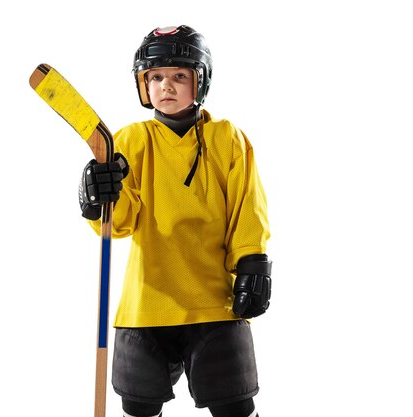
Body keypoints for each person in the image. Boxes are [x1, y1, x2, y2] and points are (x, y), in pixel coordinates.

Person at [78, 25, 272, 417]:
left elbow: (247, 206)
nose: (166, 85)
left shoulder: (227, 138)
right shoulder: (129, 141)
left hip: (214, 303)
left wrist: (253, 263)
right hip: (146, 304)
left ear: (200, 81)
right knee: (139, 405)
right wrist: (96, 199)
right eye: (156, 77)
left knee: (234, 404)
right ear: (143, 84)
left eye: (179, 76)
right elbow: (121, 223)